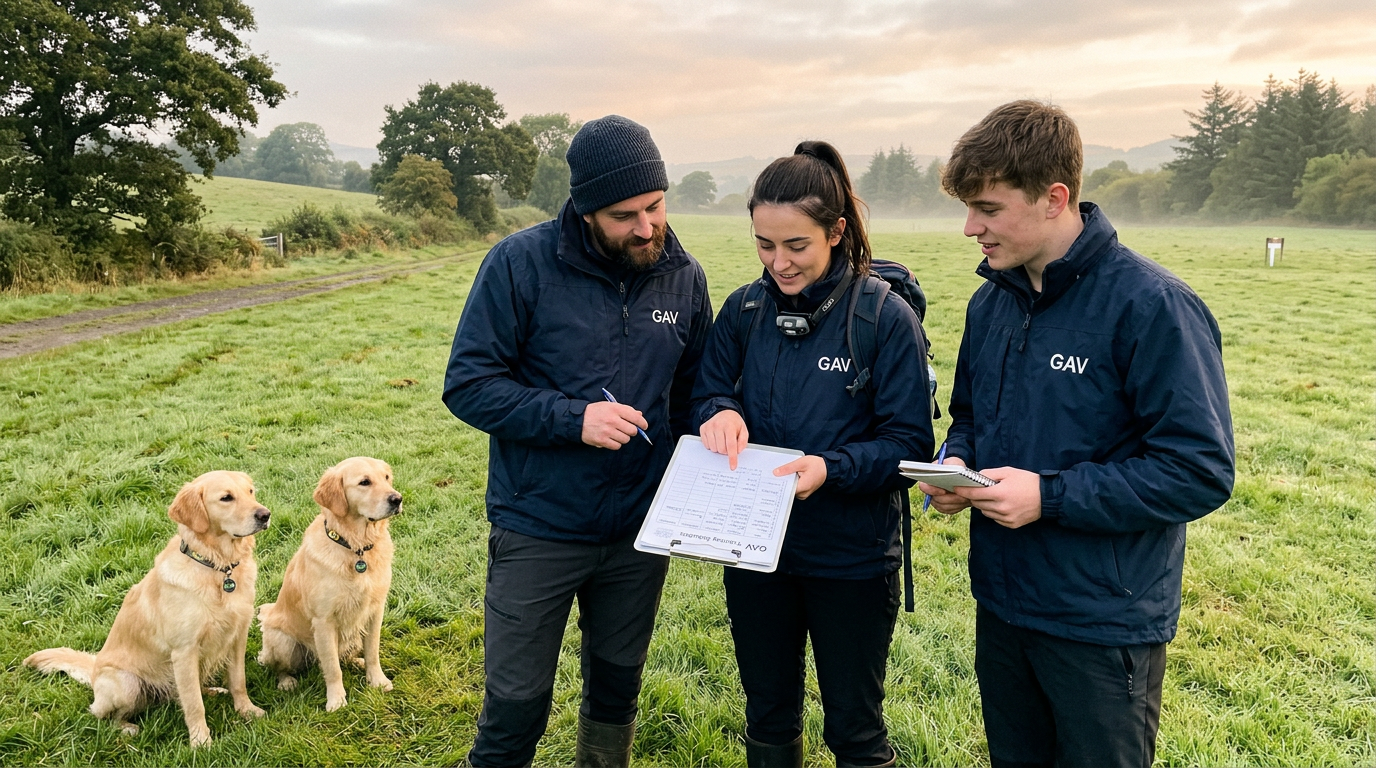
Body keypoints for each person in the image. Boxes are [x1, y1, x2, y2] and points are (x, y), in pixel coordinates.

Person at [923, 100, 1235, 768]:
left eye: (987, 208)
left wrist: (1050, 496)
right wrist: (956, 464)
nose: (970, 227)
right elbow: (971, 417)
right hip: (1002, 604)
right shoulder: (991, 302)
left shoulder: (1153, 307)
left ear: (1054, 197)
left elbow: (1200, 469)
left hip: (1101, 624)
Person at [442, 115, 713, 767]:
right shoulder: (519, 264)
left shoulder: (684, 277)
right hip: (539, 524)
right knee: (514, 707)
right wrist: (574, 419)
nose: (647, 227)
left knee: (617, 691)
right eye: (625, 215)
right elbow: (468, 384)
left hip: (638, 535)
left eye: (655, 206)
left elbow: (696, 397)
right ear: (586, 209)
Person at [692, 141, 935, 768]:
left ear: (837, 232)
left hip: (851, 559)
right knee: (767, 713)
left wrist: (831, 468)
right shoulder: (744, 310)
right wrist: (719, 411)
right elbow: (710, 387)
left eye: (796, 245)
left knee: (854, 727)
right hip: (755, 551)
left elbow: (909, 446)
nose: (779, 262)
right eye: (764, 245)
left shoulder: (885, 319)